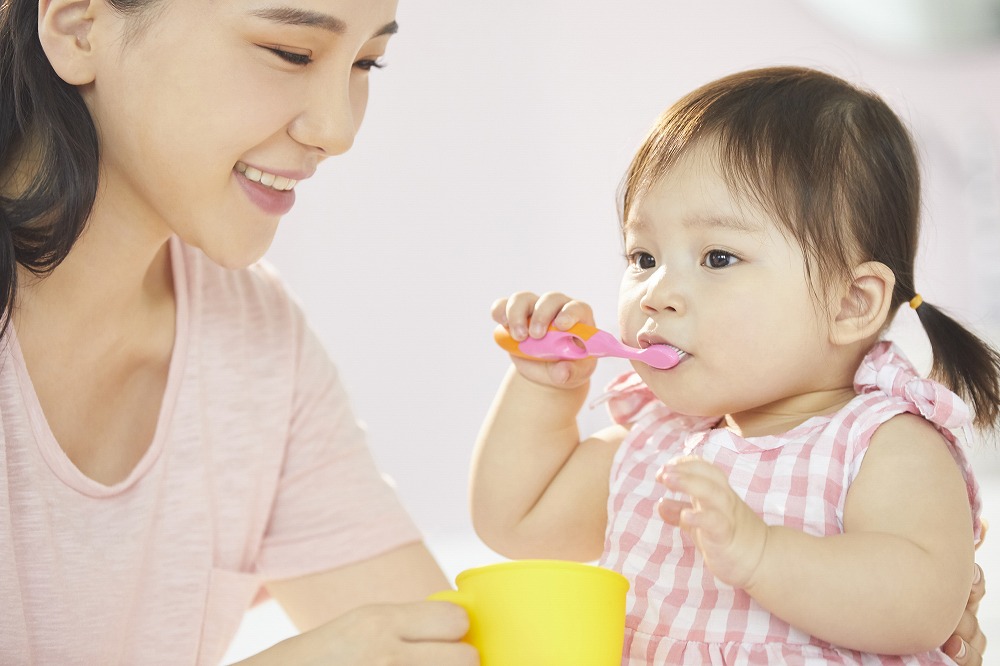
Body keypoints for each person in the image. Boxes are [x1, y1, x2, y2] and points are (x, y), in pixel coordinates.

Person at [0, 0, 480, 663]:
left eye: (366, 62)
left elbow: (440, 644)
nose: (336, 130)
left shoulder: (254, 339)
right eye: (291, 53)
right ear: (81, 25)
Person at [472, 67, 996, 663]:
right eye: (643, 256)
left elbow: (921, 607)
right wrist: (542, 391)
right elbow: (517, 521)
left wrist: (761, 554)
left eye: (718, 257)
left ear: (851, 303)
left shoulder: (882, 443)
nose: (656, 292)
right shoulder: (657, 441)